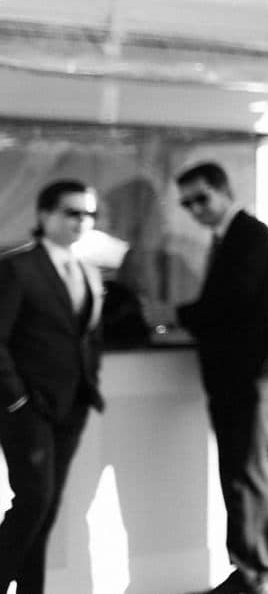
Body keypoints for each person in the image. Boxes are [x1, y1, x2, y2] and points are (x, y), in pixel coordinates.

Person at [174, 161, 268, 594]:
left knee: (249, 470)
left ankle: (261, 573)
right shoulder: (230, 238)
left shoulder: (250, 235)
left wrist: (177, 315)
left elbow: (231, 302)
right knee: (239, 470)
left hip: (256, 373)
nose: (195, 209)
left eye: (201, 198)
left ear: (224, 192)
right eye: (187, 204)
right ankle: (248, 568)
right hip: (240, 374)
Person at [0, 180, 104, 594]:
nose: (82, 221)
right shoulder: (17, 267)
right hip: (29, 407)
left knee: (47, 510)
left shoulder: (86, 269)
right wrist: (17, 399)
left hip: (72, 407)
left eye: (89, 214)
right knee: (32, 505)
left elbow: (86, 335)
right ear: (45, 216)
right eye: (72, 212)